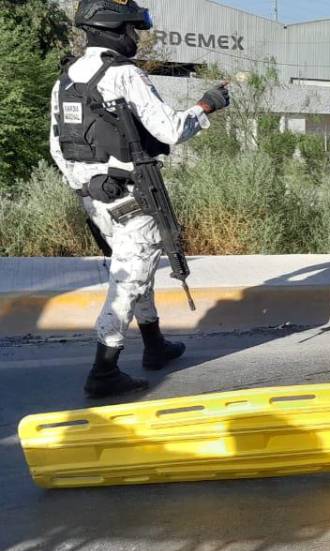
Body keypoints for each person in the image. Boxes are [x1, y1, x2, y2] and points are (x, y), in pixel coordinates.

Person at [49, 0, 231, 398]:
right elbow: (169, 130)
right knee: (130, 278)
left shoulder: (65, 79)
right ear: (114, 30)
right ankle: (104, 369)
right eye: (132, 30)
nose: (135, 38)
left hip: (95, 200)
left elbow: (57, 146)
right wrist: (206, 105)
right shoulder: (125, 75)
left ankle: (154, 344)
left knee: (135, 265)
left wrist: (87, 183)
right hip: (132, 196)